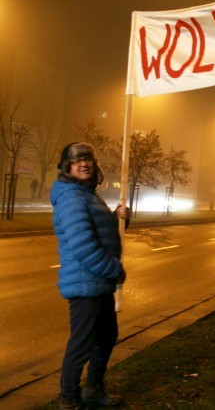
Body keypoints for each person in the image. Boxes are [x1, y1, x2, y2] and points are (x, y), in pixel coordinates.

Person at [50, 142, 130, 409]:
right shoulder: (71, 198)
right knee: (81, 345)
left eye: (88, 159)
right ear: (67, 168)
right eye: (77, 161)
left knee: (106, 337)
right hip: (85, 285)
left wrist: (118, 218)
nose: (84, 164)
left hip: (99, 284)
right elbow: (84, 245)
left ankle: (94, 391)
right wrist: (114, 270)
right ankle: (69, 399)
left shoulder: (86, 194)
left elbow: (101, 231)